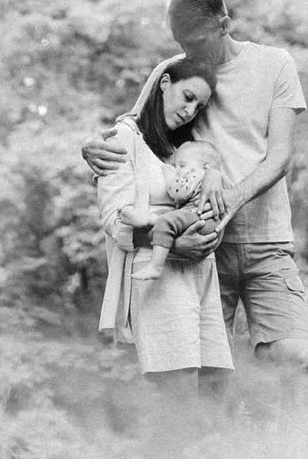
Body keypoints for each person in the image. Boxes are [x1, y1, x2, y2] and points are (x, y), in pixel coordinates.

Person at [85, 0, 308, 416]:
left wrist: (229, 200)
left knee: (294, 361)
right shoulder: (173, 69)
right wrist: (90, 147)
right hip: (200, 251)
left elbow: (280, 155)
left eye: (195, 42)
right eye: (180, 44)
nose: (187, 52)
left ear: (224, 25)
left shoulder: (274, 64)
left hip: (266, 242)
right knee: (212, 393)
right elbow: (134, 133)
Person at [96, 55, 233, 436]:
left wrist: (213, 178)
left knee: (214, 389)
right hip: (159, 273)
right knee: (180, 396)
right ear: (164, 83)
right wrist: (174, 245)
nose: (190, 111)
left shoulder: (185, 150)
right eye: (187, 96)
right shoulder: (122, 140)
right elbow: (114, 219)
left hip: (201, 277)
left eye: (199, 107)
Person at [120, 140, 223, 281]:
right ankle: (150, 218)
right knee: (171, 216)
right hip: (207, 222)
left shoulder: (199, 174)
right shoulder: (215, 179)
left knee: (166, 222)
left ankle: (155, 265)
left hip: (199, 217)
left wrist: (168, 173)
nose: (178, 170)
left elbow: (179, 193)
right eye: (176, 166)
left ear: (205, 166)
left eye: (182, 165)